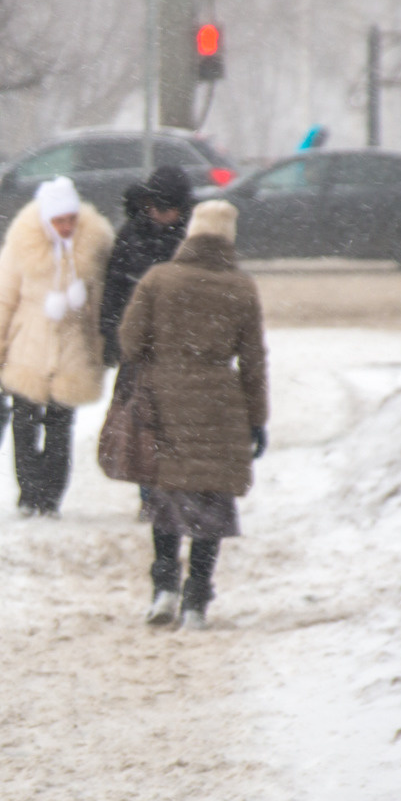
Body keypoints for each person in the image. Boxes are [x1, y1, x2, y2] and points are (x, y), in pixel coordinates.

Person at [118, 199, 267, 630]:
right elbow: (255, 360)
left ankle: (163, 587)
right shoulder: (242, 288)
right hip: (221, 404)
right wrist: (257, 419)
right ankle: (196, 600)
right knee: (209, 501)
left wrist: (160, 358)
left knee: (166, 496)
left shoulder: (158, 279)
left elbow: (129, 340)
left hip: (164, 401)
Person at [0, 176, 114, 516]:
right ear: (46, 220)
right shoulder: (21, 246)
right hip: (26, 350)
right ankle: (29, 492)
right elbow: (2, 299)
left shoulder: (92, 246)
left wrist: (98, 348)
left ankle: (50, 496)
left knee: (61, 428)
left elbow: (100, 304)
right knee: (24, 423)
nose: (65, 227)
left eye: (70, 219)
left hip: (72, 353)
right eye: (58, 220)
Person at [99, 165, 194, 367]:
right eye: (155, 206)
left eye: (167, 208)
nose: (159, 213)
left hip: (178, 345)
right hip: (135, 341)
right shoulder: (132, 233)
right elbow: (114, 285)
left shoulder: (192, 239)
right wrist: (109, 333)